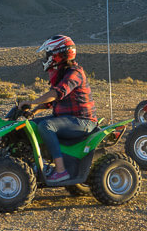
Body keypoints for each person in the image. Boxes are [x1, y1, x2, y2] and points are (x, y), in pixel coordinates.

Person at [19, 35, 97, 183]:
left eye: (49, 54)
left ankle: (61, 171)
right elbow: (51, 102)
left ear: (60, 54)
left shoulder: (75, 73)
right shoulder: (62, 72)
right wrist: (33, 112)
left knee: (46, 126)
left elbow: (56, 93)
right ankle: (36, 165)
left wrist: (33, 102)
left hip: (83, 122)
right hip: (68, 119)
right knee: (32, 126)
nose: (46, 57)